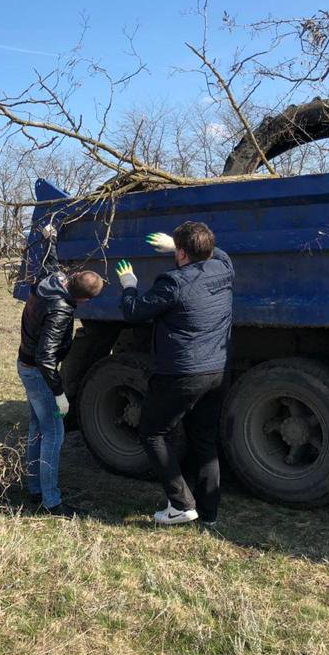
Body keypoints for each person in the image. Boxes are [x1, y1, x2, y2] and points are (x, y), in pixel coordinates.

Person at [116, 222, 234, 527]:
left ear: (181, 253)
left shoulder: (173, 283)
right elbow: (218, 253)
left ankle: (181, 504)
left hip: (182, 373)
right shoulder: (224, 269)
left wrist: (129, 283)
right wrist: (178, 244)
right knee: (204, 439)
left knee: (152, 432)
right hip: (217, 370)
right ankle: (209, 514)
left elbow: (134, 311)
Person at [17, 223, 105, 517]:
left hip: (25, 364)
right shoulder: (60, 310)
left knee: (36, 427)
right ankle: (51, 502)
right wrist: (58, 394)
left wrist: (50, 239)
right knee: (53, 433)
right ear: (83, 299)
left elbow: (49, 262)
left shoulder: (53, 280)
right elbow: (45, 357)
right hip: (37, 371)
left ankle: (33, 488)